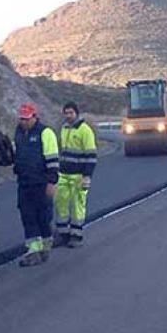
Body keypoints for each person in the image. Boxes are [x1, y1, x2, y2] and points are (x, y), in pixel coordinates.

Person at [13, 102, 59, 266]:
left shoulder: (45, 133)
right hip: (25, 182)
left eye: (26, 119)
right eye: (21, 119)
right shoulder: (18, 133)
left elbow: (52, 159)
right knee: (27, 215)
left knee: (43, 216)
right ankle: (34, 249)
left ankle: (45, 246)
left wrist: (52, 182)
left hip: (41, 182)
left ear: (34, 117)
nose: (23, 122)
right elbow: (16, 154)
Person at [55, 101, 97, 247]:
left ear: (76, 113)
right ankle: (63, 234)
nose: (68, 115)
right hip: (63, 174)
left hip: (79, 175)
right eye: (66, 113)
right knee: (61, 203)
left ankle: (76, 235)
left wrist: (87, 176)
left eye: (71, 113)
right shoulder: (64, 129)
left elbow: (91, 156)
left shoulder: (85, 131)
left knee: (78, 205)